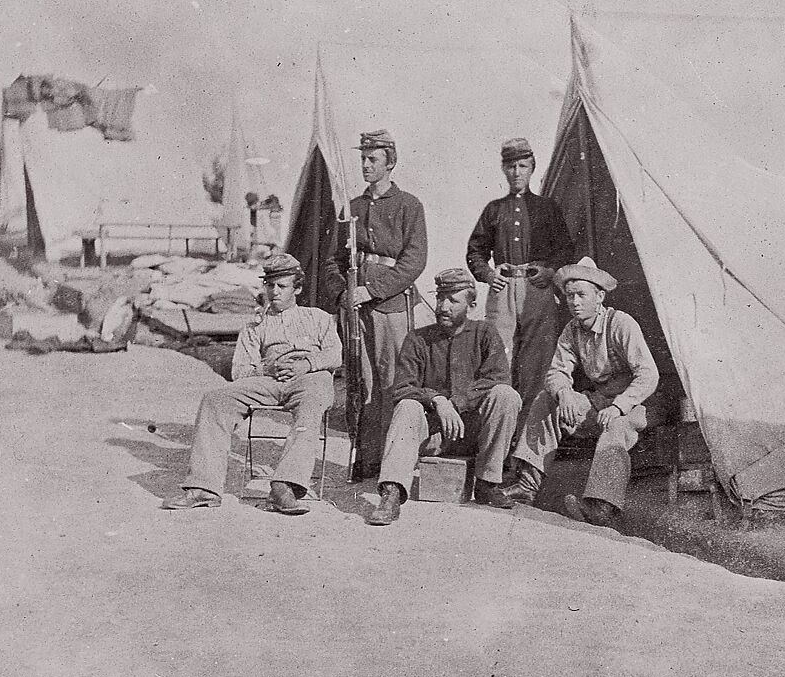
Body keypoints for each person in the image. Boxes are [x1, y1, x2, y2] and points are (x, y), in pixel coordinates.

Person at [161, 254, 341, 515]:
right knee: (216, 399)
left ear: (298, 288)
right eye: (270, 286)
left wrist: (307, 364)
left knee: (314, 397)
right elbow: (240, 371)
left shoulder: (318, 318)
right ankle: (204, 487)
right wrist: (266, 368)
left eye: (282, 286)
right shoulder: (255, 325)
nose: (274, 292)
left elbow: (334, 355)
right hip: (268, 380)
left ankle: (285, 487)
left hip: (308, 378)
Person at [497, 258, 662, 527]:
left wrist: (619, 406)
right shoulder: (572, 330)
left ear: (600, 296)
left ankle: (602, 505)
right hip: (602, 400)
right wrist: (564, 395)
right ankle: (528, 484)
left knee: (616, 426)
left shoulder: (620, 323)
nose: (574, 302)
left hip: (641, 401)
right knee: (546, 399)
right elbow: (557, 371)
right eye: (570, 296)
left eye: (581, 295)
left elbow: (648, 375)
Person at [368, 268, 521, 525]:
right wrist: (438, 400)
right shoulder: (418, 338)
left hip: (473, 432)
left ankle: (487, 483)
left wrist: (456, 403)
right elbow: (403, 387)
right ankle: (392, 493)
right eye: (440, 298)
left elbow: (498, 378)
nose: (443, 306)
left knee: (506, 396)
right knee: (407, 406)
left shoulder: (485, 334)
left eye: (453, 300)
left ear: (471, 305)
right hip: (433, 434)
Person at [323, 129, 428, 479]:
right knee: (359, 382)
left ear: (390, 162)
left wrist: (374, 290)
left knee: (391, 382)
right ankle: (365, 457)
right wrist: (343, 293)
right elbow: (332, 262)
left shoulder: (409, 206)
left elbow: (414, 261)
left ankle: (393, 461)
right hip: (353, 308)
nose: (365, 165)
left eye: (373, 159)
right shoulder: (351, 209)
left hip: (389, 306)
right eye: (363, 159)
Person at [466, 137, 573, 414]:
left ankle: (528, 431)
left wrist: (549, 271)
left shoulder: (547, 207)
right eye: (511, 166)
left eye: (522, 166)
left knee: (538, 359)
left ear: (532, 168)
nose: (516, 172)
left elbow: (565, 248)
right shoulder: (494, 210)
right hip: (503, 289)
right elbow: (475, 251)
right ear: (503, 169)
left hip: (537, 286)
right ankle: (501, 426)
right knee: (498, 355)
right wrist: (489, 275)